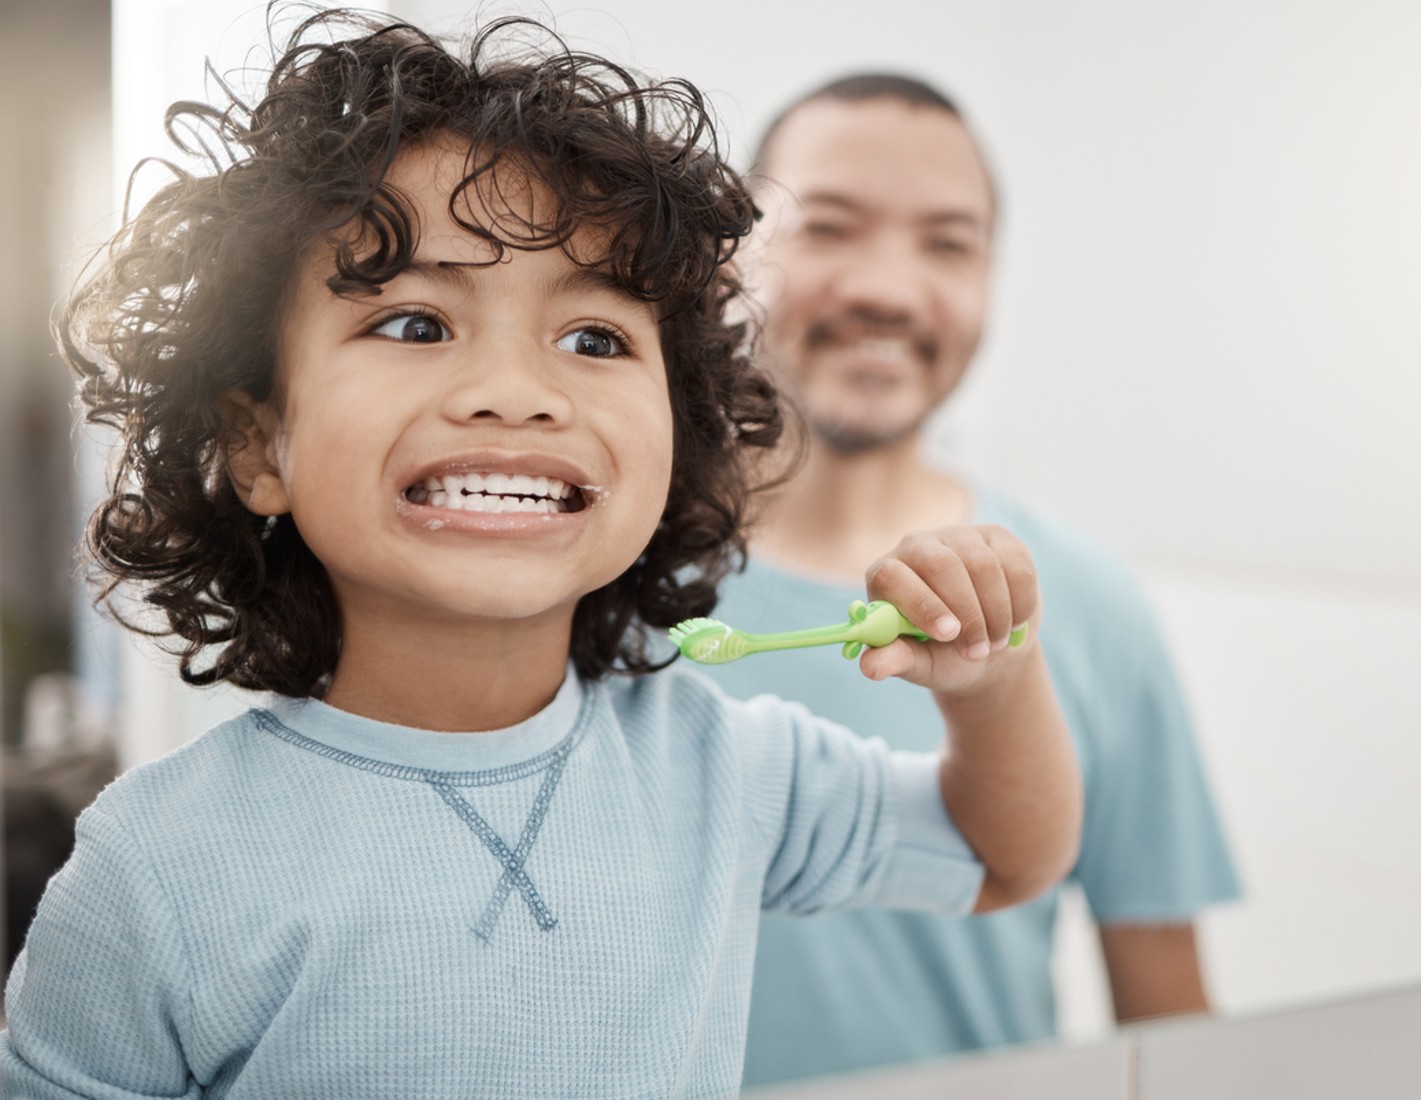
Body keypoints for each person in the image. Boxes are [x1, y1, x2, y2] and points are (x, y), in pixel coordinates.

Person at [0, 13, 1084, 1098]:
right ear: (255, 444)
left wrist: (995, 685)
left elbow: (1003, 855)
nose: (518, 392)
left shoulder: (725, 770)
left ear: (679, 429)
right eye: (418, 323)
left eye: (595, 339)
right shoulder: (153, 863)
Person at [697, 75, 1243, 1085]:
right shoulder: (600, 583)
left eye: (947, 243)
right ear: (731, 254)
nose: (890, 290)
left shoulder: (1087, 604)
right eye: (830, 226)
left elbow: (1173, 1021)